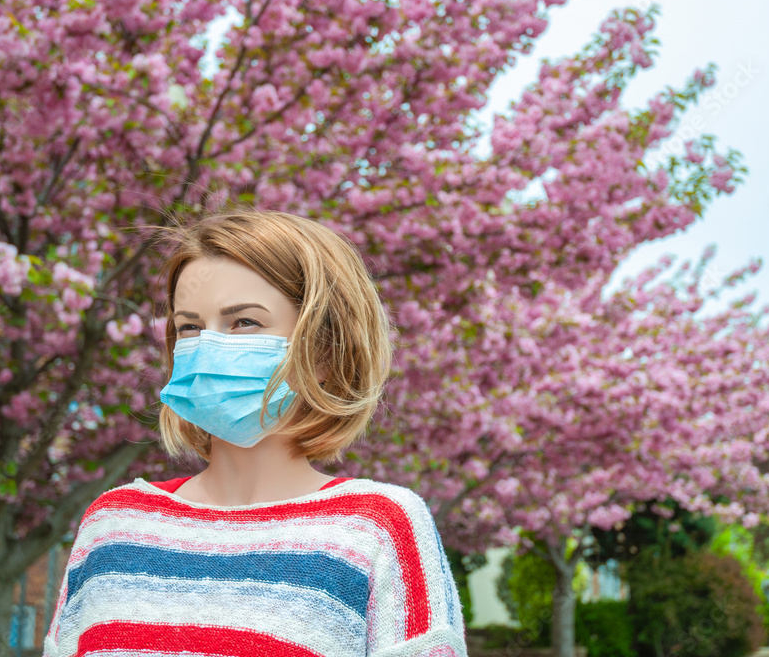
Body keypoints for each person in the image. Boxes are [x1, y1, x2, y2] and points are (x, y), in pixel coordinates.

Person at [42, 209, 468, 657]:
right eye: (189, 327)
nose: (207, 347)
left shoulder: (380, 528)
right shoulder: (112, 524)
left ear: (324, 349)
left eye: (244, 322)